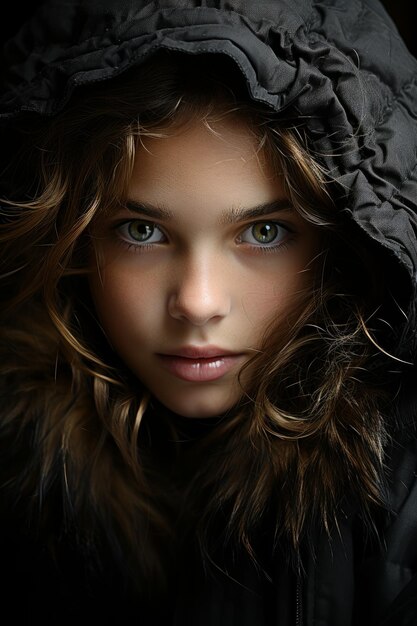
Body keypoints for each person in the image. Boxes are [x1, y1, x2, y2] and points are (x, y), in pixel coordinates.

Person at [0, 1, 416, 624]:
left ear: (346, 246)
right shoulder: (19, 474)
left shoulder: (402, 484)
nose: (197, 302)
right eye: (141, 230)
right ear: (72, 238)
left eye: (266, 233)